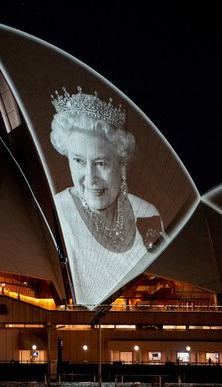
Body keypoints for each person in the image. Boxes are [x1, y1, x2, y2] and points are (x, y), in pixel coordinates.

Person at [50, 86, 165, 307]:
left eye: (101, 163)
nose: (90, 177)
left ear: (121, 163)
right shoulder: (56, 213)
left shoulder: (148, 213)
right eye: (79, 161)